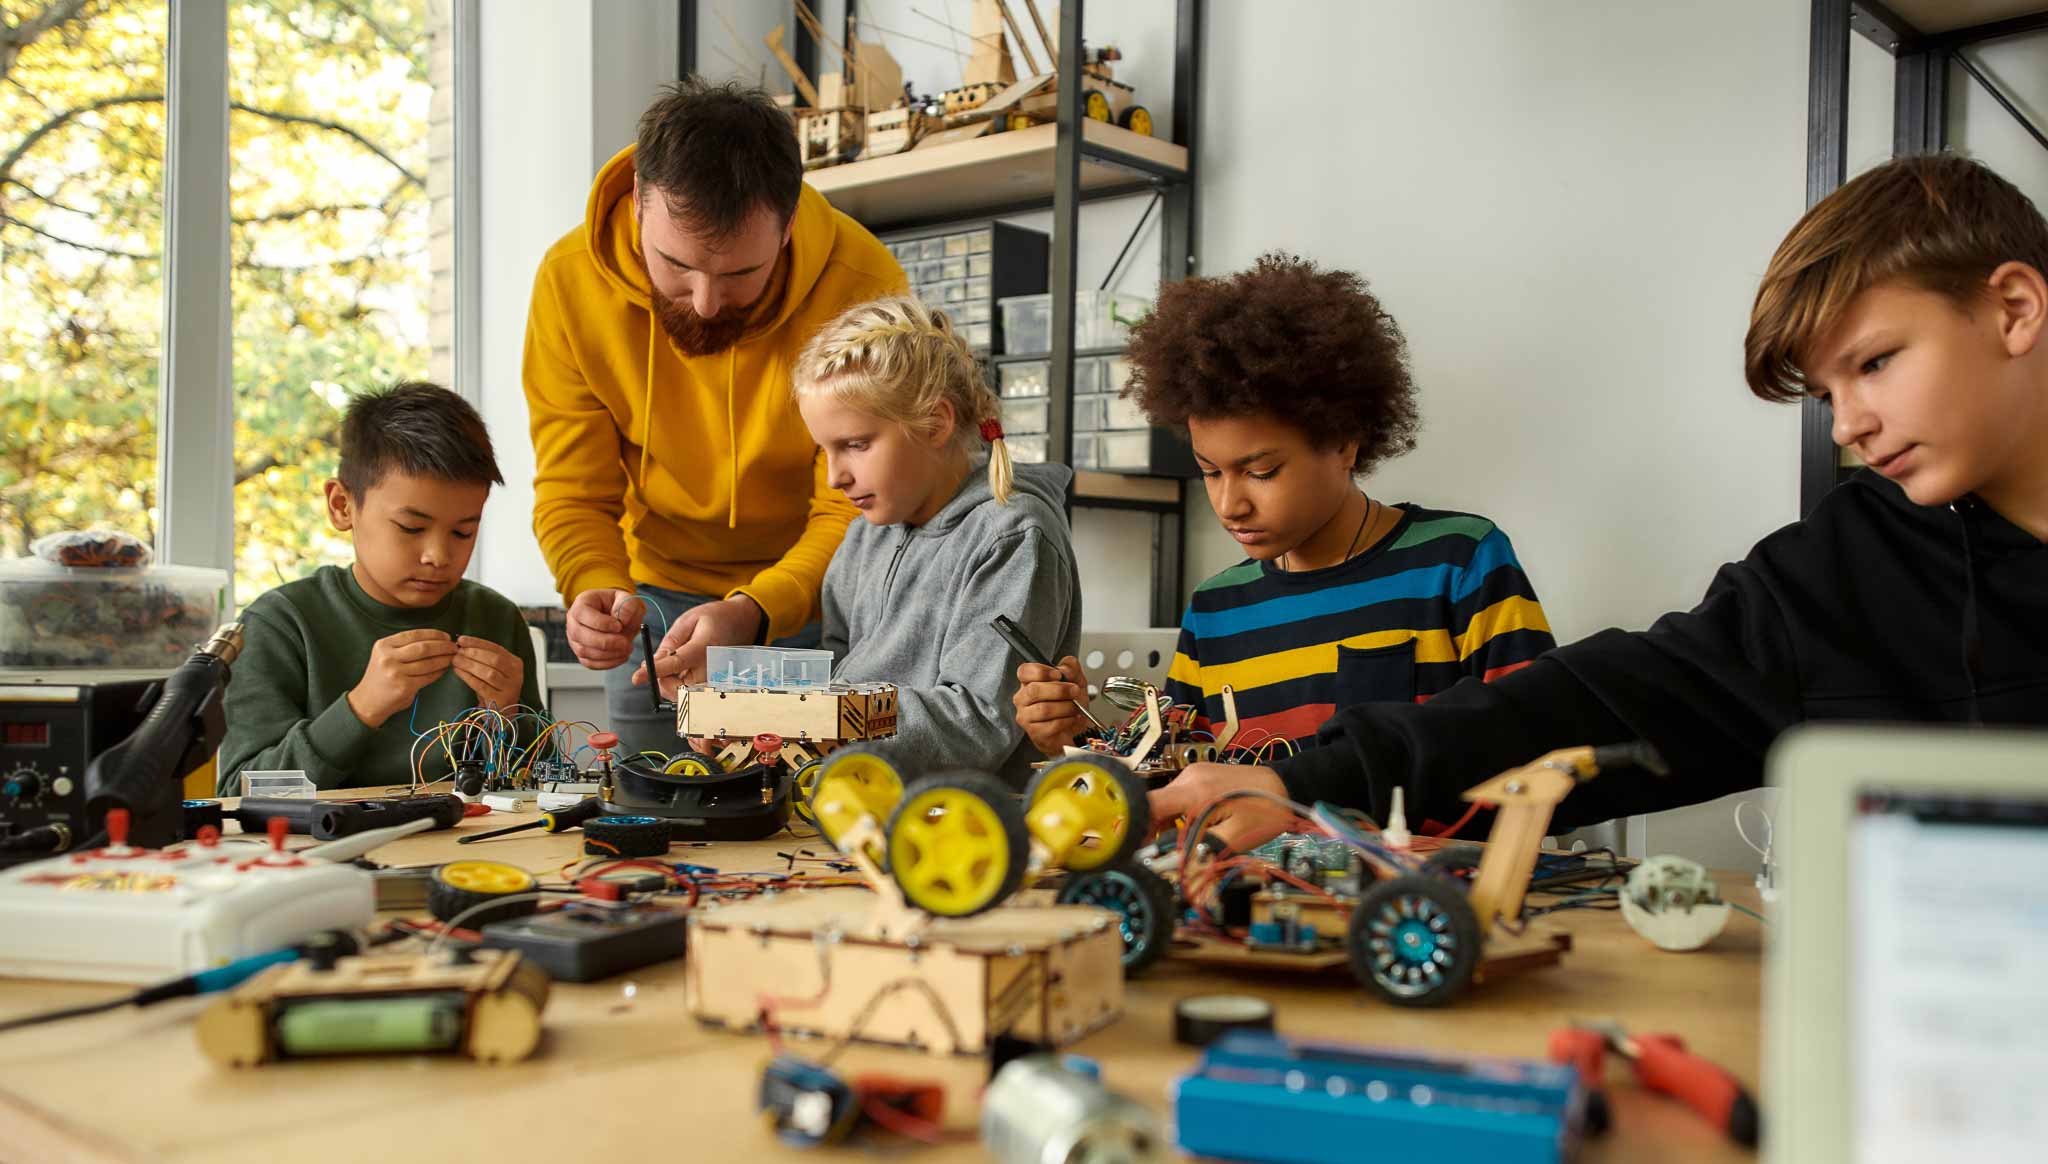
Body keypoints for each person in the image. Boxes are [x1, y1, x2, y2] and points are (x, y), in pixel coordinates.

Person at [1152, 154, 2048, 851]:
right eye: (1826, 393)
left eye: (1877, 362)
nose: (1849, 426)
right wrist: (1304, 780)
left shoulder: (1459, 555)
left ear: (2013, 308)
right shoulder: (1849, 570)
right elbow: (1603, 701)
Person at [1012, 253, 1554, 783]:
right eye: (1210, 472)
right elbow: (1172, 779)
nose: (1230, 505)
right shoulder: (1215, 610)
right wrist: (1072, 738)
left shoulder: (1461, 564)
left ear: (1344, 442)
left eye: (1262, 471)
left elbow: (1543, 752)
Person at [522, 78, 905, 756]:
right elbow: (573, 490)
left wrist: (757, 610)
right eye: (677, 265)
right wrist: (595, 588)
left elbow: (856, 503)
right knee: (649, 802)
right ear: (640, 199)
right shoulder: (567, 282)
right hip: (649, 599)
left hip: (813, 594)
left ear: (787, 226)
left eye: (738, 275)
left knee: (801, 818)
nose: (704, 303)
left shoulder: (862, 283)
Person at [784, 296, 1080, 787]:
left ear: (936, 423)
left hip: (968, 819)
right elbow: (837, 671)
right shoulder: (864, 534)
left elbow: (978, 723)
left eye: (856, 445)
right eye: (825, 450)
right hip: (857, 799)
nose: (836, 477)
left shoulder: (1012, 535)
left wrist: (821, 721)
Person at [221, 383, 543, 793]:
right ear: (342, 506)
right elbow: (239, 794)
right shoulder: (281, 623)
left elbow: (543, 790)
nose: (438, 556)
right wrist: (361, 708)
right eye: (412, 527)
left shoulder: (495, 618)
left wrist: (509, 715)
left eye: (463, 532)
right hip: (324, 851)